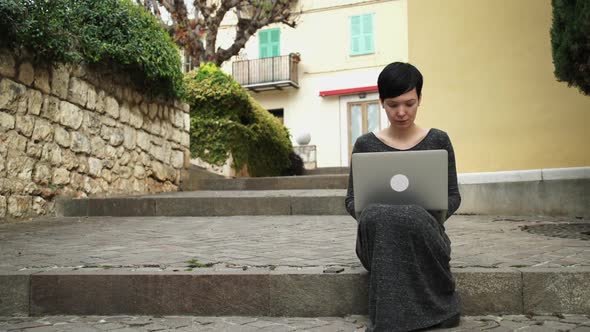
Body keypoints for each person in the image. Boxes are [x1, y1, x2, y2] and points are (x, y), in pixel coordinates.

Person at [345, 62, 462, 331]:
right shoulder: (365, 144)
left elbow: (454, 195)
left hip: (425, 236)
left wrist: (430, 212)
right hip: (378, 239)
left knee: (407, 214)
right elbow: (351, 200)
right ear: (381, 103)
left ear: (420, 98)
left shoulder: (438, 140)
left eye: (409, 103)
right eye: (392, 104)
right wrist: (374, 213)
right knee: (382, 215)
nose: (401, 112)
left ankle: (390, 322)